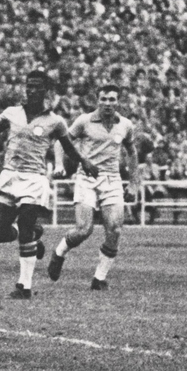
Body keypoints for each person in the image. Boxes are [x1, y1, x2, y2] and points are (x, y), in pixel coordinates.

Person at [0, 71, 98, 299]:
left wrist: (84, 161)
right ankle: (34, 234)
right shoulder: (12, 113)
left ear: (45, 90)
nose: (31, 90)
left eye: (36, 86)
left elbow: (69, 147)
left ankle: (24, 286)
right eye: (29, 85)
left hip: (34, 179)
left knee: (24, 227)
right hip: (10, 176)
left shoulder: (55, 121)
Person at [47, 84, 139, 290]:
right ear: (97, 100)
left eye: (112, 99)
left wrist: (134, 183)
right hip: (87, 178)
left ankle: (99, 278)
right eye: (104, 99)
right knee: (83, 229)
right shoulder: (84, 121)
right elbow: (61, 142)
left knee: (114, 229)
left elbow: (132, 152)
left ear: (118, 102)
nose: (108, 103)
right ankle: (59, 252)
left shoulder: (125, 125)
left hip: (112, 179)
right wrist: (60, 164)